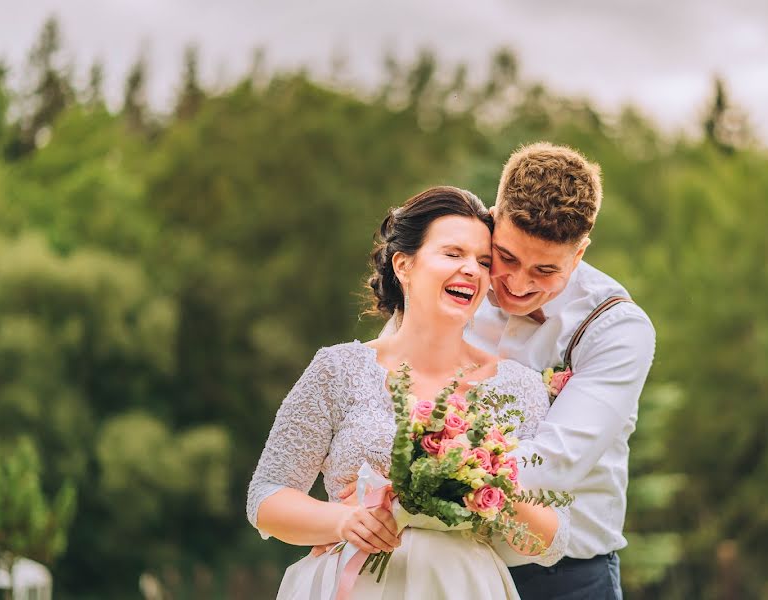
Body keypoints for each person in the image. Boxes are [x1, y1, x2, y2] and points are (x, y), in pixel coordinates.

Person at [246, 186, 569, 600]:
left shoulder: (518, 387)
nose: (472, 269)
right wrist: (340, 522)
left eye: (483, 261)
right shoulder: (339, 368)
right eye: (453, 254)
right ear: (404, 265)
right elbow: (267, 496)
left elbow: (549, 542)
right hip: (351, 581)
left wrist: (486, 476)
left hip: (460, 587)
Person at [467, 142, 657, 599]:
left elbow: (556, 463)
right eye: (507, 257)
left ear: (580, 252)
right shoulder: (453, 281)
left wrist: (433, 470)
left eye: (545, 270)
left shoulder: (617, 327)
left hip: (563, 578)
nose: (517, 283)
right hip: (448, 570)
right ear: (494, 218)